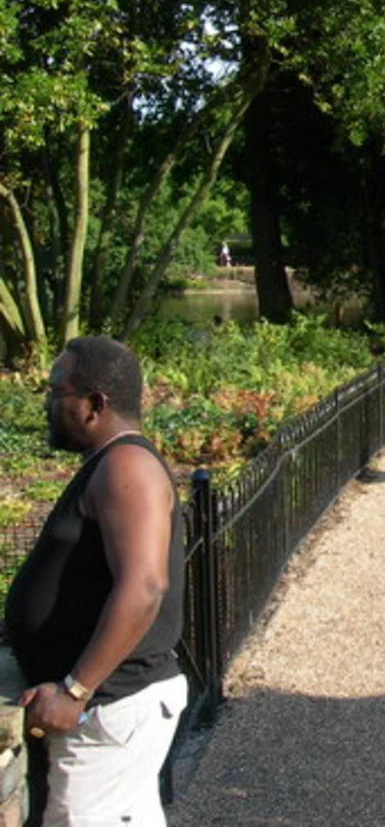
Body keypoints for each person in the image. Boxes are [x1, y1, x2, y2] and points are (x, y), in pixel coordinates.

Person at [5, 336, 187, 826]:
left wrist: (75, 690)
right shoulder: (110, 464)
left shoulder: (127, 466)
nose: (47, 404)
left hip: (106, 710)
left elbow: (145, 587)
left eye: (55, 392)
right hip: (108, 711)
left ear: (95, 404)